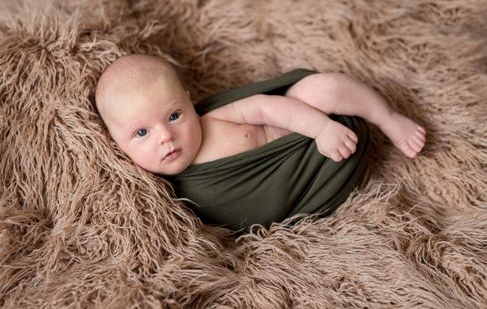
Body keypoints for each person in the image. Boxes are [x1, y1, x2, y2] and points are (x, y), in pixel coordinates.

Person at [95, 54, 426, 230]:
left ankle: (387, 118)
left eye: (174, 116)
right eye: (142, 133)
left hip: (303, 121)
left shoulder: (213, 119)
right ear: (117, 144)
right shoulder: (166, 195)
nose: (165, 136)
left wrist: (320, 128)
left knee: (318, 89)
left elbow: (266, 106)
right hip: (308, 170)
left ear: (188, 101)